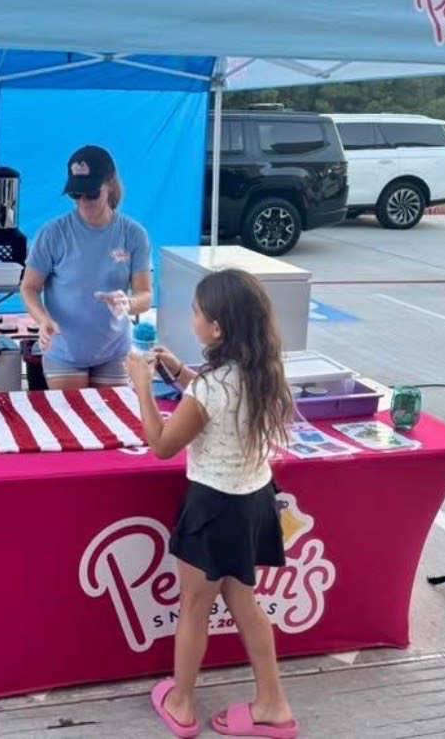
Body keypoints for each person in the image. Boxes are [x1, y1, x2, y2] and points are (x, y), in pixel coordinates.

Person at [127, 268, 298, 739]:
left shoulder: (211, 388)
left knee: (195, 606)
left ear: (217, 328)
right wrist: (180, 372)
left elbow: (162, 444)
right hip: (254, 500)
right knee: (244, 602)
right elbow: (220, 402)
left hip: (213, 508)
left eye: (197, 313)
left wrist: (141, 385)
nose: (193, 319)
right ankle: (273, 703)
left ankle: (182, 703)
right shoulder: (261, 372)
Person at [20, 145, 152, 389]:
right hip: (65, 350)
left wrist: (128, 303)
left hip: (114, 349)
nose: (83, 201)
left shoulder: (134, 234)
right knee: (71, 411)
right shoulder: (53, 233)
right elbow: (29, 287)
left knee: (111, 412)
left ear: (110, 185)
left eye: (91, 193)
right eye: (76, 194)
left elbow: (145, 295)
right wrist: (43, 319)